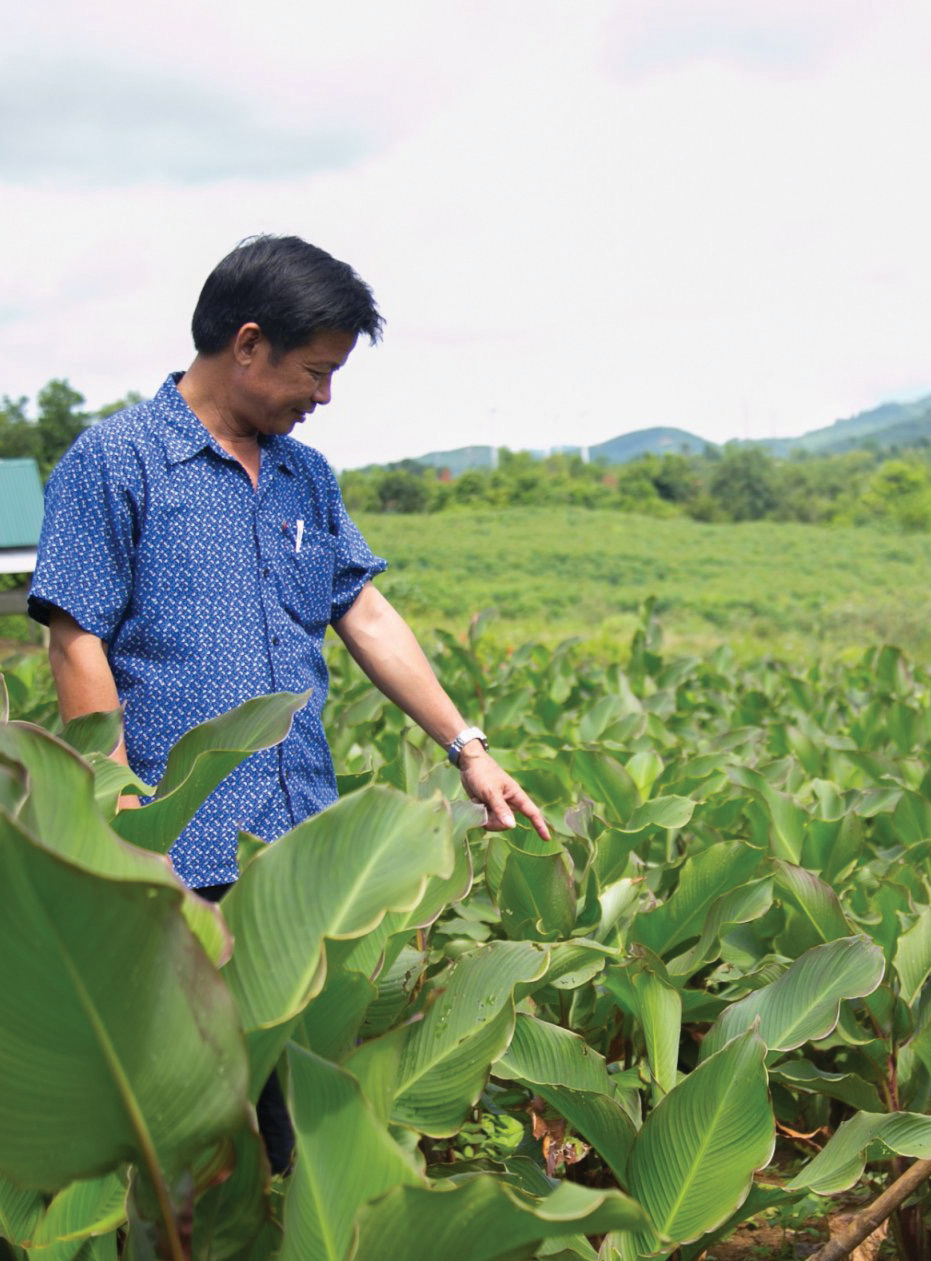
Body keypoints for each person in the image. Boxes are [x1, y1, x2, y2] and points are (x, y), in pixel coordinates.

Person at [28, 234, 549, 1174]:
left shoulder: (306, 475)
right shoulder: (117, 460)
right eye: (316, 371)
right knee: (195, 1099)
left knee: (300, 1085)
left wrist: (466, 744)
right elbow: (76, 635)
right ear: (249, 343)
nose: (325, 396)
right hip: (179, 842)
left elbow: (364, 609)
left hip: (297, 841)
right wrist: (120, 811)